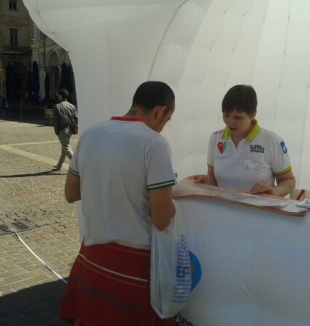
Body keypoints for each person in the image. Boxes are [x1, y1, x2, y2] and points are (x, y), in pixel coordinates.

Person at [59, 81, 177, 326]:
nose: (164, 127)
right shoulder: (154, 143)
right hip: (132, 270)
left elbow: (71, 193)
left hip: (92, 260)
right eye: (167, 119)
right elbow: (162, 219)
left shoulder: (91, 134)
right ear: (160, 111)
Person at [194, 84, 296, 197]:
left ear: (253, 114)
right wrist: (207, 180)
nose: (230, 122)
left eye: (238, 117)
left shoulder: (271, 140)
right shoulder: (215, 138)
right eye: (226, 115)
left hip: (257, 211)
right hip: (223, 207)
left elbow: (289, 181)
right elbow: (213, 177)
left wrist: (274, 191)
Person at [52, 89, 78, 171]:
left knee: (66, 147)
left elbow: (56, 121)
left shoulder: (57, 106)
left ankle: (77, 165)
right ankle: (59, 165)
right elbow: (76, 118)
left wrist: (56, 131)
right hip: (70, 129)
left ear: (60, 95)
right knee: (64, 148)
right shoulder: (72, 106)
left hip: (62, 129)